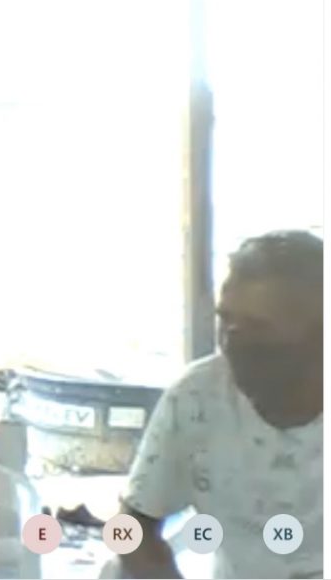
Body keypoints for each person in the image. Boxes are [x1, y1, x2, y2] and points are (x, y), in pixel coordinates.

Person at [120, 230, 323, 579]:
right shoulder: (198, 397)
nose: (233, 339)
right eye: (226, 319)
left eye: (259, 327)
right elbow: (133, 528)